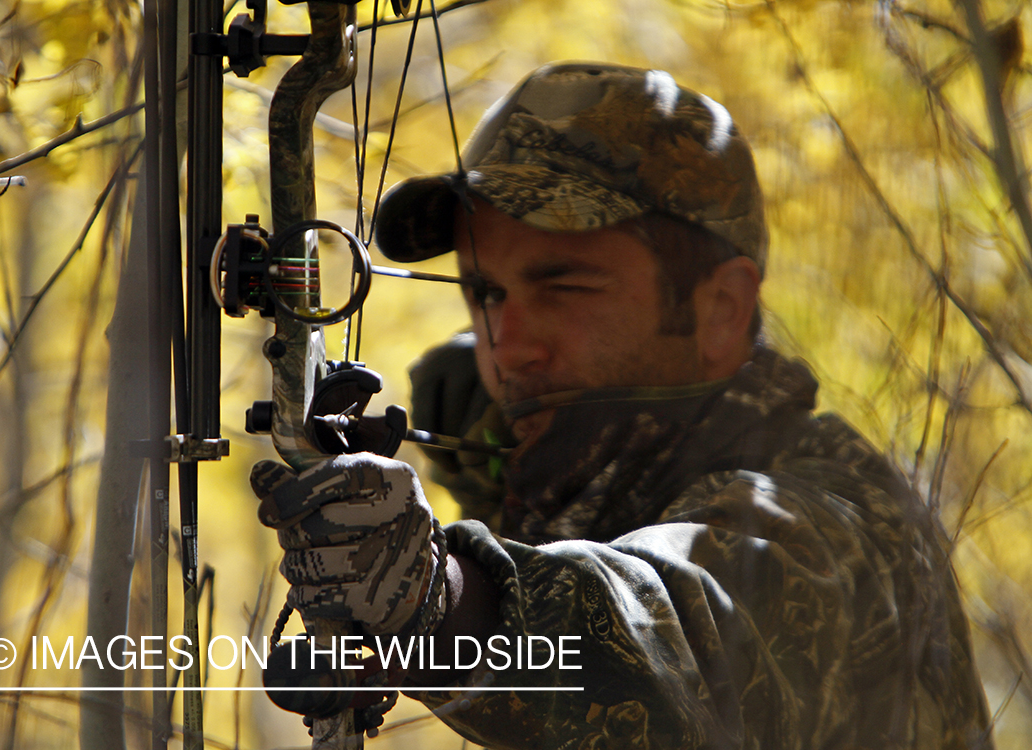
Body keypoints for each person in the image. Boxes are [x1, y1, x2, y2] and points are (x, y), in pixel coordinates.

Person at [251, 62, 993, 749]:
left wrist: (437, 598)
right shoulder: (586, 470)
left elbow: (678, 634)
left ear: (721, 309)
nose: (507, 345)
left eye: (565, 287)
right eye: (484, 294)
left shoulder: (836, 521)